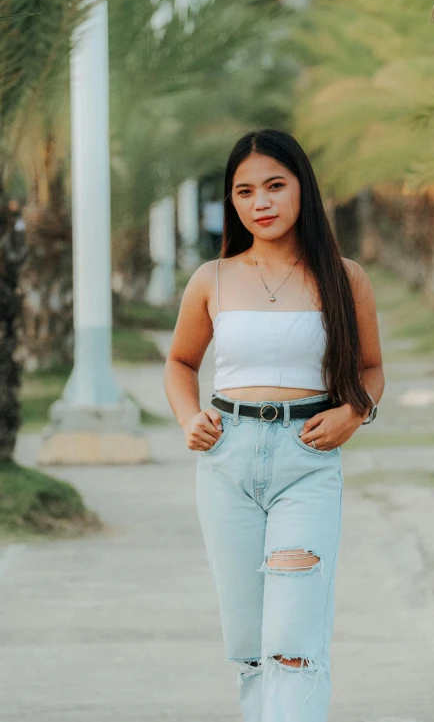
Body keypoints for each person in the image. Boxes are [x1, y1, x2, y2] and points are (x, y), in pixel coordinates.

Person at [164, 128, 384, 722]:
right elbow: (181, 363)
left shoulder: (345, 277)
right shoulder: (212, 278)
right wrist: (190, 418)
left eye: (274, 186)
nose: (259, 202)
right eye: (243, 191)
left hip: (305, 462)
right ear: (232, 202)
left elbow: (370, 369)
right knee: (249, 644)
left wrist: (355, 412)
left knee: (291, 641)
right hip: (227, 462)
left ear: (301, 190)